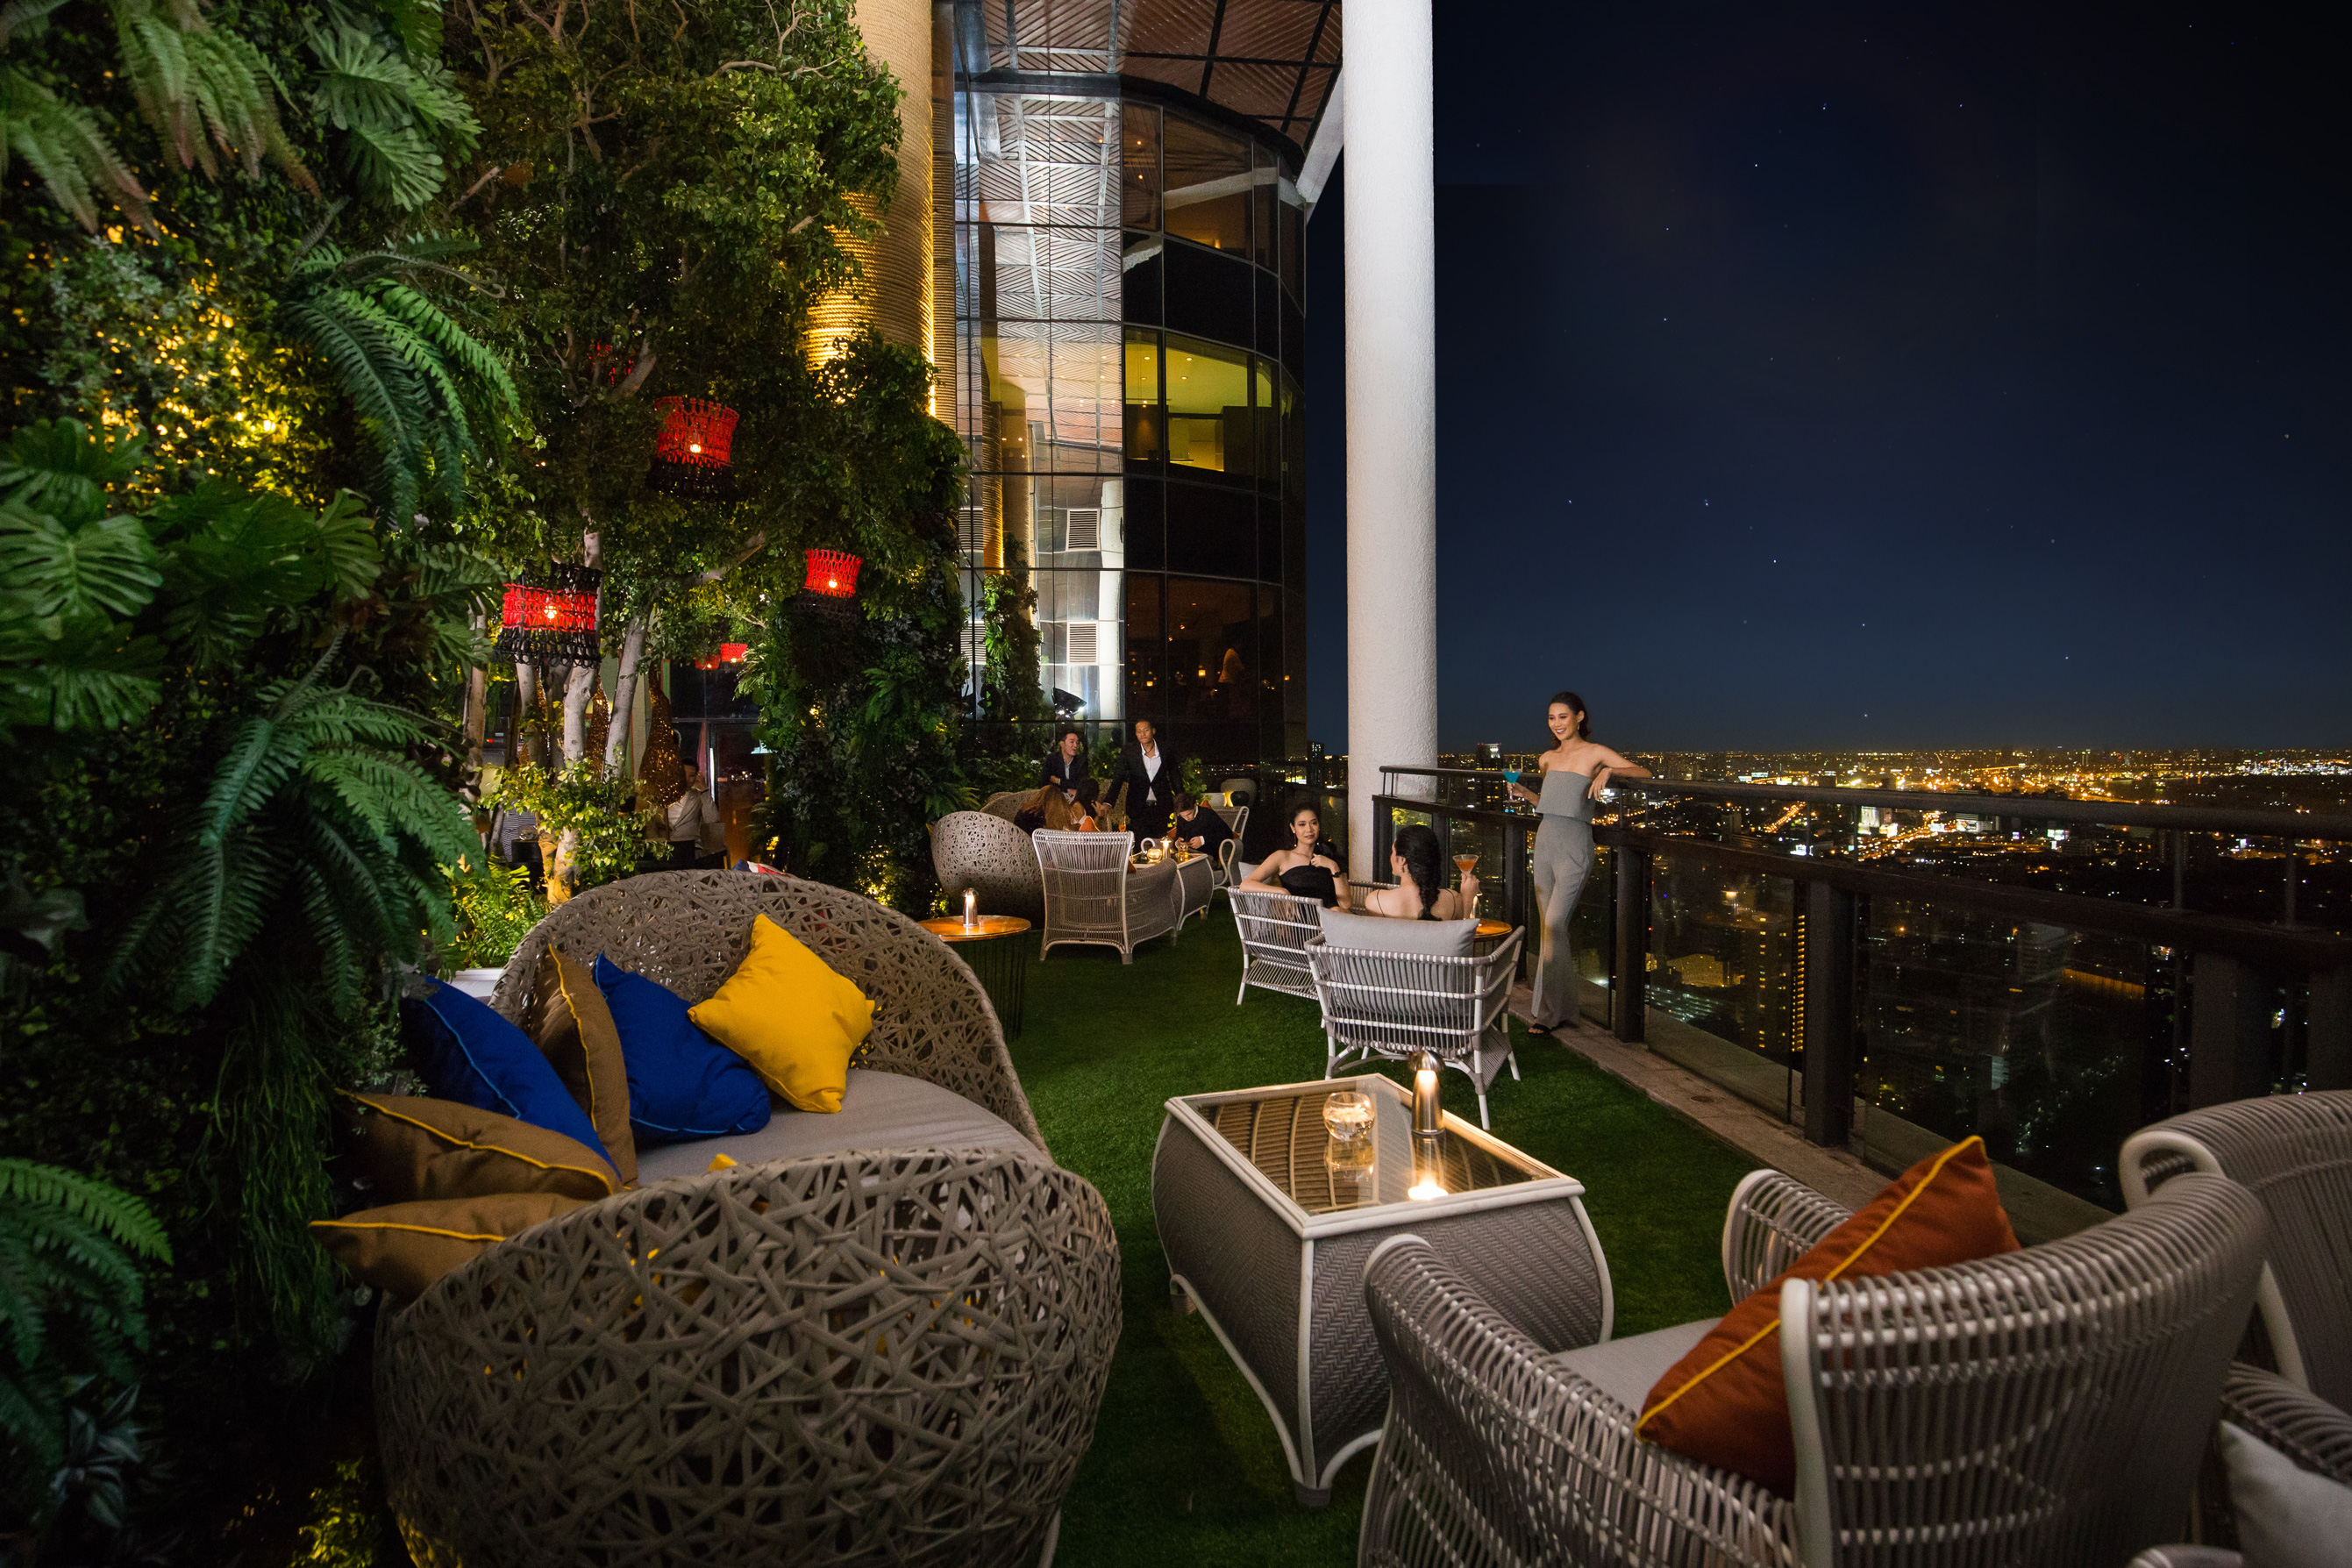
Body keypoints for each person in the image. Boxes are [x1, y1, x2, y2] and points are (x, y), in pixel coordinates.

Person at [1505, 691, 1651, 1033]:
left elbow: (1643, 772)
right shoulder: (1546, 759)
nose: (1556, 724)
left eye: (1563, 717)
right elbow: (1552, 803)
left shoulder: (1595, 753)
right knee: (1550, 929)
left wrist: (1610, 773)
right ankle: (1563, 1010)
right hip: (1544, 842)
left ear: (1579, 718)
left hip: (1575, 845)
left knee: (1555, 925)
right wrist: (1528, 796)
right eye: (1551, 718)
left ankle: (1547, 1012)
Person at [1241, 795, 1349, 909]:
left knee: (1341, 909)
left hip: (1336, 917)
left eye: (1314, 823)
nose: (1309, 830)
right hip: (1305, 921)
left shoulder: (1329, 857)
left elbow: (1346, 904)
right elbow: (1246, 884)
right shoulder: (1283, 856)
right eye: (1302, 824)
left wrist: (1333, 866)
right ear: (1293, 828)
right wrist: (1282, 892)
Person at [1364, 823, 1480, 921]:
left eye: (1392, 852)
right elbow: (1458, 940)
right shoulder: (1453, 900)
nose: (1390, 857)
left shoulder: (1375, 901)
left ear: (1403, 861)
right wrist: (1467, 899)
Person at [1106, 717, 1173, 840]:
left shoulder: (1165, 749)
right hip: (1138, 808)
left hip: (1161, 807)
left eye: (1146, 730)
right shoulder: (1129, 751)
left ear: (1153, 731)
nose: (1143, 734)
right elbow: (1118, 777)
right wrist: (1108, 802)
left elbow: (1175, 776)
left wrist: (1183, 801)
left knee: (1161, 843)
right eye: (1139, 731)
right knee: (1139, 846)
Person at [666, 766, 723, 869]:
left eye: (691, 775)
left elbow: (712, 819)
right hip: (665, 849)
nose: (686, 779)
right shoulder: (663, 796)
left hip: (690, 849)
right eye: (682, 774)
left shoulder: (697, 796)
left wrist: (703, 791)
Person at [1169, 791, 1235, 863]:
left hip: (1208, 857)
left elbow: (1227, 834)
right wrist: (1177, 843)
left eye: (1189, 814)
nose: (1186, 818)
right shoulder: (1181, 819)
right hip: (1189, 856)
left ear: (1195, 806)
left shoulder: (1208, 814)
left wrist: (1203, 840)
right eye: (1183, 816)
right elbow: (1177, 838)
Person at [1040, 727, 1090, 791]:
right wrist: (1068, 788)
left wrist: (1059, 781)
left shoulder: (1081, 761)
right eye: (1072, 742)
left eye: (1076, 742)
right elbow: (1044, 782)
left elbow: (1082, 784)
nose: (1075, 745)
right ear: (1062, 744)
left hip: (1075, 798)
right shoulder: (1052, 759)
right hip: (1056, 796)